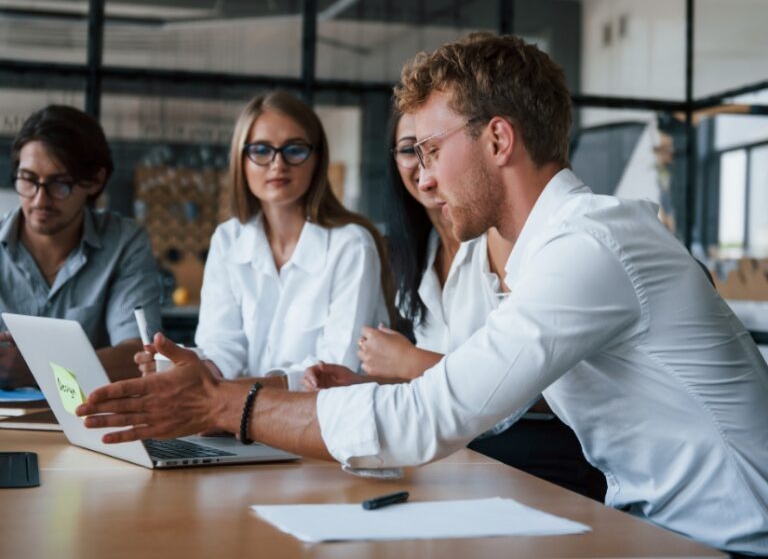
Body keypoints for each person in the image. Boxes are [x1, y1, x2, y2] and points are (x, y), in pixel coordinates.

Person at [79, 35, 768, 556]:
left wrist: (223, 403)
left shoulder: (591, 246)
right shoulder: (539, 257)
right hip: (648, 531)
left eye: (432, 151)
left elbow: (426, 416)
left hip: (721, 541)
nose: (421, 177)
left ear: (498, 138)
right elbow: (475, 399)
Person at [304, 109, 606, 499]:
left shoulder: (513, 241)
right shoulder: (415, 255)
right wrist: (366, 384)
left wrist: (409, 362)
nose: (426, 169)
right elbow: (444, 390)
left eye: (433, 148)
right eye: (410, 150)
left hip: (532, 448)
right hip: (464, 450)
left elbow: (533, 385)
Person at [139, 91, 392, 390]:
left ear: (317, 159)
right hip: (240, 420)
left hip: (322, 423)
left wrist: (227, 392)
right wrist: (192, 368)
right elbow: (221, 345)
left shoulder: (351, 245)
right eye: (261, 150)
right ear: (241, 160)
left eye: (294, 150)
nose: (277, 164)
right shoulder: (228, 239)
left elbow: (337, 367)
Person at [0, 105, 162, 387]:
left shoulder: (124, 242)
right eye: (28, 180)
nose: (39, 200)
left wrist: (38, 369)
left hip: (90, 421)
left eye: (59, 184)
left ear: (95, 181)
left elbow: (140, 357)